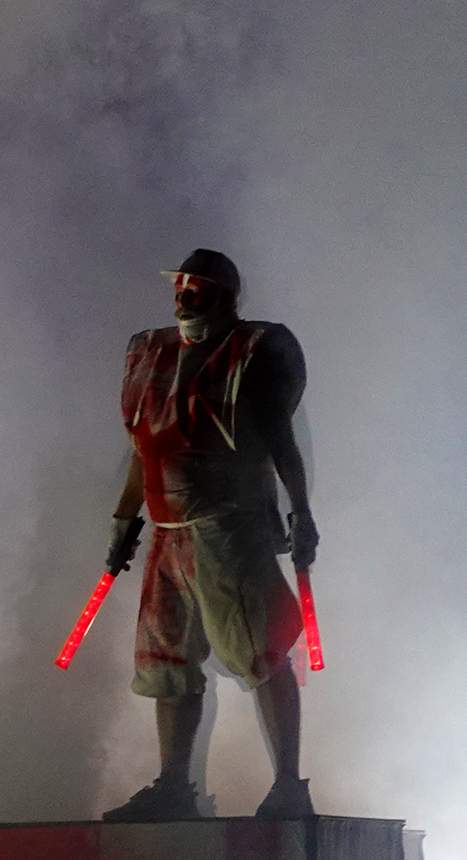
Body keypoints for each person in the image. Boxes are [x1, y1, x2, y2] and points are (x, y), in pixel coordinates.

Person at [100, 249, 315, 821]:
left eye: (196, 289)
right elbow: (146, 447)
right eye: (180, 287)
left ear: (225, 296)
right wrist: (125, 520)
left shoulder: (249, 353)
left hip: (228, 528)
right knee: (167, 662)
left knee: (261, 650)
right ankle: (174, 785)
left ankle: (288, 785)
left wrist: (301, 511)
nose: (183, 297)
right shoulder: (153, 355)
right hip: (167, 534)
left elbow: (281, 441)